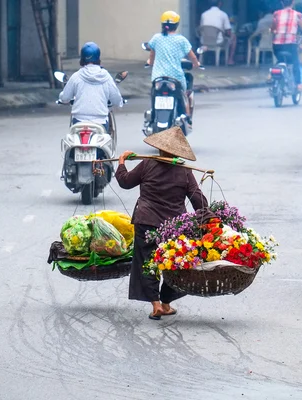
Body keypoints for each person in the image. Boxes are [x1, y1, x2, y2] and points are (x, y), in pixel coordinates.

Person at [115, 127, 208, 320]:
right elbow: (197, 200)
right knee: (174, 263)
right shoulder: (184, 171)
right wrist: (207, 217)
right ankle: (165, 303)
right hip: (174, 227)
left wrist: (122, 162)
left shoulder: (147, 164)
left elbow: (125, 182)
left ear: (159, 149)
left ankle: (156, 304)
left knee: (147, 262)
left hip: (146, 222)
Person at [147, 11, 202, 125]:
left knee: (154, 93)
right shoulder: (181, 40)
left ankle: (152, 115)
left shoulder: (156, 38)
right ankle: (187, 117)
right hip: (175, 76)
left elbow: (151, 55)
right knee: (186, 93)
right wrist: (197, 64)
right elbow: (192, 56)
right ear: (177, 25)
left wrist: (150, 62)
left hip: (158, 76)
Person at [58, 42, 124, 133]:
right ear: (98, 58)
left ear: (82, 58)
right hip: (100, 122)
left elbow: (65, 98)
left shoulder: (76, 76)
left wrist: (61, 97)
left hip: (79, 121)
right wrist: (119, 102)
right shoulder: (106, 77)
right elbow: (116, 99)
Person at [271, 0, 302, 91]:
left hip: (277, 46)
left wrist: (274, 31)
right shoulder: (297, 15)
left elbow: (273, 29)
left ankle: (272, 75)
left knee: (280, 60)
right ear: (293, 3)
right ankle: (298, 84)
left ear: (282, 3)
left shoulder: (276, 14)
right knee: (295, 63)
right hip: (290, 46)